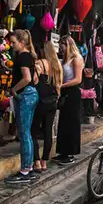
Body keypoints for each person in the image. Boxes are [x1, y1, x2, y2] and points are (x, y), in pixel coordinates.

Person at [5, 30, 39, 184]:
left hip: (25, 94)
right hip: (31, 94)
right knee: (27, 132)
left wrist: (14, 89)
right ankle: (29, 168)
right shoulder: (29, 56)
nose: (11, 45)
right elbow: (35, 79)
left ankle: (25, 169)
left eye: (13, 42)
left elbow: (27, 78)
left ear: (22, 42)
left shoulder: (23, 56)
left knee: (24, 133)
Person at [32, 41, 62, 172]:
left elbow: (34, 81)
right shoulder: (57, 66)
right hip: (53, 102)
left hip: (41, 101)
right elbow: (59, 87)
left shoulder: (39, 63)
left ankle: (36, 161)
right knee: (48, 131)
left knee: (33, 131)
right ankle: (44, 162)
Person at [55, 36, 83, 165]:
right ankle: (62, 152)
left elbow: (78, 79)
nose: (61, 47)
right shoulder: (64, 59)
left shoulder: (76, 59)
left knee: (71, 123)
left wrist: (62, 85)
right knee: (63, 122)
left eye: (63, 45)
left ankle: (71, 152)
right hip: (65, 91)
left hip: (72, 92)